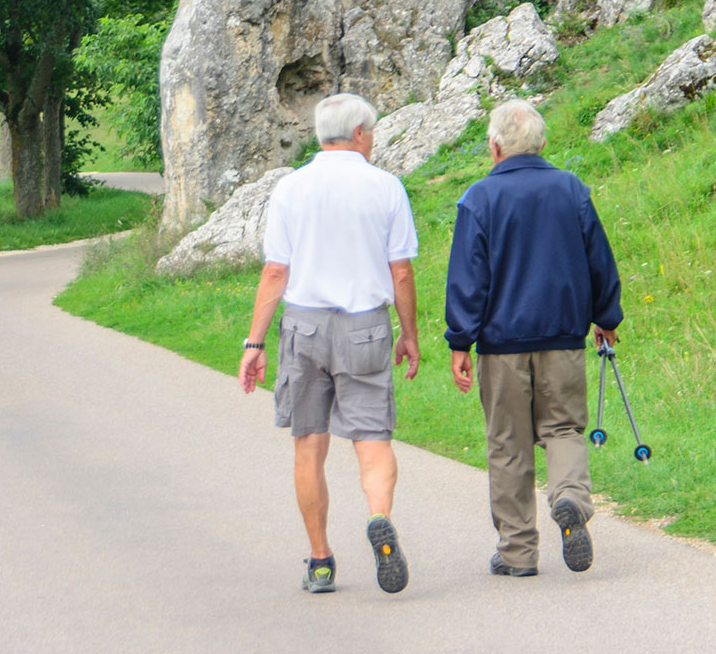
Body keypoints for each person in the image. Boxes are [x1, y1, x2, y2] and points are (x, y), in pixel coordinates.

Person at [239, 93, 421, 595]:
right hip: (365, 325)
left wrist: (254, 343)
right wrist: (409, 334)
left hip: (305, 327)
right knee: (372, 438)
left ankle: (320, 561)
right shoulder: (386, 186)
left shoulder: (291, 188)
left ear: (321, 134)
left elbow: (276, 270)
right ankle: (378, 517)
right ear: (359, 133)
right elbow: (400, 271)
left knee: (309, 445)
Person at [446, 99, 623, 577]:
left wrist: (460, 342)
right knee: (563, 429)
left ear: (494, 146)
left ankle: (518, 553)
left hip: (501, 345)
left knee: (508, 443)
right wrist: (606, 317)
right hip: (563, 338)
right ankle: (569, 498)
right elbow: (599, 262)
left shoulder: (478, 198)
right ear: (542, 144)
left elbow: (467, 279)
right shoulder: (571, 189)